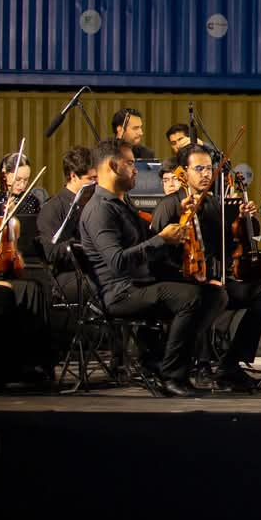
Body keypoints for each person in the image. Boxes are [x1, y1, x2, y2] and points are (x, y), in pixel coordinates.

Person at [79, 139, 223, 397]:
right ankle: (172, 376)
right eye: (131, 164)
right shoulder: (99, 209)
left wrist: (179, 215)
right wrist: (161, 239)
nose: (136, 170)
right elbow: (118, 262)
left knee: (214, 294)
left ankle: (166, 361)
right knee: (191, 298)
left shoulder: (122, 202)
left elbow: (146, 240)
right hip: (121, 291)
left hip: (142, 282)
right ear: (113, 166)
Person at [148, 144, 261, 390]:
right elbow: (156, 258)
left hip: (214, 280)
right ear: (183, 172)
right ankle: (185, 369)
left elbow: (228, 246)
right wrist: (194, 278)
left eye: (209, 168)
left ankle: (230, 365)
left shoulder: (212, 204)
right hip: (182, 282)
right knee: (208, 295)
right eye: (199, 168)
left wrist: (243, 219)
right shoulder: (169, 205)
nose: (206, 174)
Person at [36, 146, 97, 303]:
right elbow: (51, 253)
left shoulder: (97, 204)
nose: (95, 184)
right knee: (107, 286)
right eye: (90, 179)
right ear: (73, 176)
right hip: (69, 276)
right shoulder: (52, 208)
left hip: (96, 269)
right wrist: (81, 245)